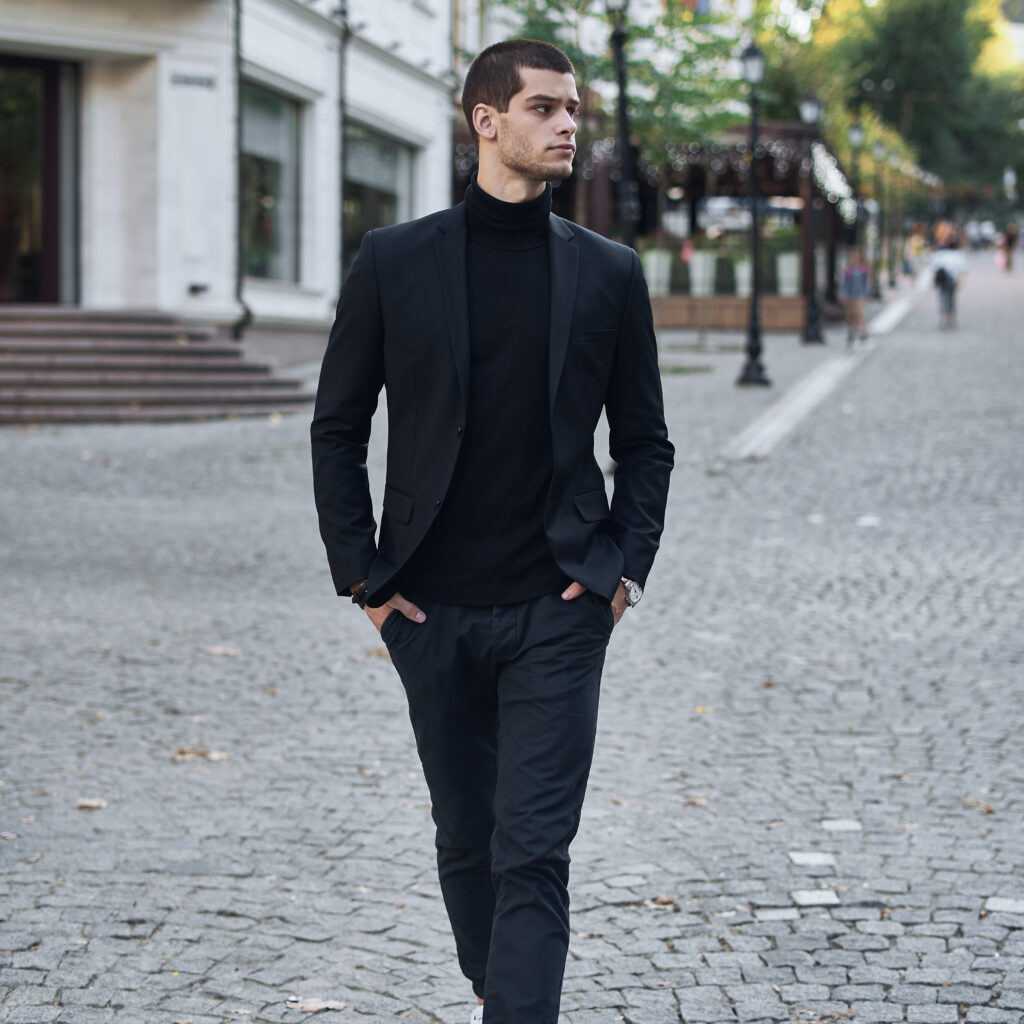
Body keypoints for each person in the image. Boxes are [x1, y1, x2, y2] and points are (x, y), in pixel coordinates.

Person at [310, 38, 674, 1024]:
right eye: (546, 109)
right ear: (486, 120)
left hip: (559, 606)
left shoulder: (606, 272)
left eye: (572, 112)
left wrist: (619, 572)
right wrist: (365, 581)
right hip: (428, 606)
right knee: (466, 836)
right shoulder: (394, 261)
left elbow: (645, 442)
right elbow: (337, 426)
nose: (567, 127)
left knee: (533, 850)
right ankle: (498, 984)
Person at [931, 240, 967, 328]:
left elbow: (935, 268)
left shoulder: (939, 254)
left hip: (942, 279)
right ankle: (949, 317)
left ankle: (943, 316)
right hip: (952, 279)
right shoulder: (958, 255)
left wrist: (934, 281)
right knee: (951, 298)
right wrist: (960, 282)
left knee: (943, 298)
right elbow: (961, 270)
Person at [839, 247, 871, 346]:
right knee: (850, 316)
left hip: (859, 296)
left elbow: (866, 283)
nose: (854, 258)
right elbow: (844, 283)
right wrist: (843, 294)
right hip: (849, 296)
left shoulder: (863, 269)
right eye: (853, 256)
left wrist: (865, 294)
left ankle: (863, 333)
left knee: (860, 314)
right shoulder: (848, 270)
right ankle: (851, 333)